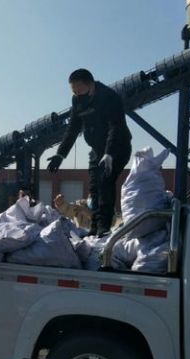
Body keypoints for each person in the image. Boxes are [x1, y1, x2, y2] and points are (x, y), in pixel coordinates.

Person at [47, 68, 133, 236]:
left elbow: (115, 127)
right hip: (97, 150)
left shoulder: (109, 97)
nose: (77, 95)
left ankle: (104, 226)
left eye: (80, 91)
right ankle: (94, 226)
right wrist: (60, 154)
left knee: (104, 182)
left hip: (117, 148)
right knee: (94, 187)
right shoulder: (77, 101)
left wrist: (109, 153)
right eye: (74, 92)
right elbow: (72, 129)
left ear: (91, 85)